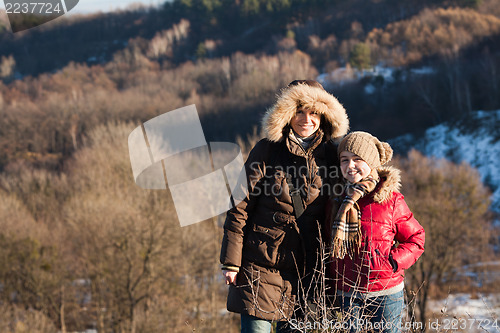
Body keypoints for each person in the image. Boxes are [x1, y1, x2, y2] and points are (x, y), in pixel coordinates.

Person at [220, 80, 349, 332]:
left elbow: (352, 196)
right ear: (287, 113)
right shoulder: (266, 151)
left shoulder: (333, 156)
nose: (306, 119)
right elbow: (239, 207)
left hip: (308, 273)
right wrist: (231, 262)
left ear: (323, 116)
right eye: (299, 111)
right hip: (260, 267)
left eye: (313, 112)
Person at [325, 131, 425, 333]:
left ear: (371, 162)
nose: (350, 165)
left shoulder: (390, 199)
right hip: (347, 294)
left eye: (357, 159)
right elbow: (329, 242)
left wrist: (392, 262)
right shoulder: (337, 200)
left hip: (386, 293)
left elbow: (416, 239)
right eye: (344, 160)